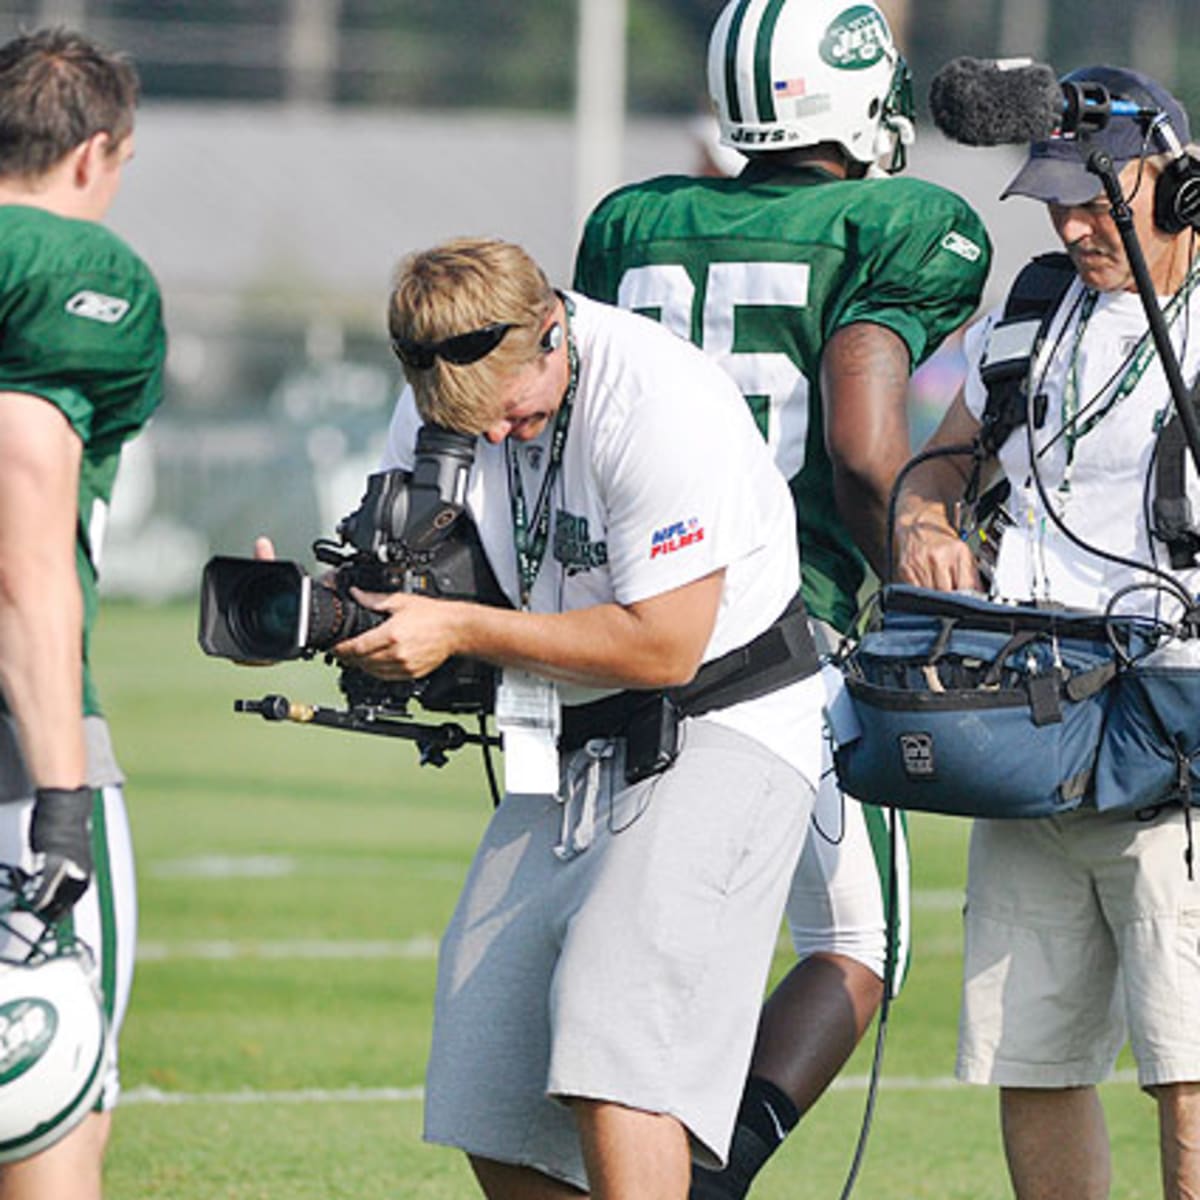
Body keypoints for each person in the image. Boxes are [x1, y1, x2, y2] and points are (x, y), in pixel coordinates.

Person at [572, 1, 990, 1194]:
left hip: (627, 611)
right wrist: (918, 597)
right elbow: (863, 447)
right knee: (863, 941)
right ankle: (709, 1170)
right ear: (853, 95)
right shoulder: (899, 218)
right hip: (787, 626)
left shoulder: (634, 220)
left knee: (640, 932)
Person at [329, 235, 827, 1199]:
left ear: (552, 332)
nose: (501, 437)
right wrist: (344, 606)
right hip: (565, 726)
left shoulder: (661, 399)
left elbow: (664, 643)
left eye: (514, 413)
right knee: (488, 1083)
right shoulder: (444, 393)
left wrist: (463, 629)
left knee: (616, 1046)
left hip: (720, 710)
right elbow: (418, 562)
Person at [893, 65, 1200, 1200]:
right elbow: (946, 455)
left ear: (1173, 184)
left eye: (1099, 197)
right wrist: (926, 518)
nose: (1077, 225)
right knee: (1034, 1054)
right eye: (1059, 203)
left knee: (1191, 1062)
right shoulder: (1032, 304)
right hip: (1031, 710)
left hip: (1177, 720)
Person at [0, 27, 165, 1200]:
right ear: (95, 154)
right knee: (47, 1095)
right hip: (17, 751)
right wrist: (59, 790)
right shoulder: (68, 267)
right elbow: (23, 536)